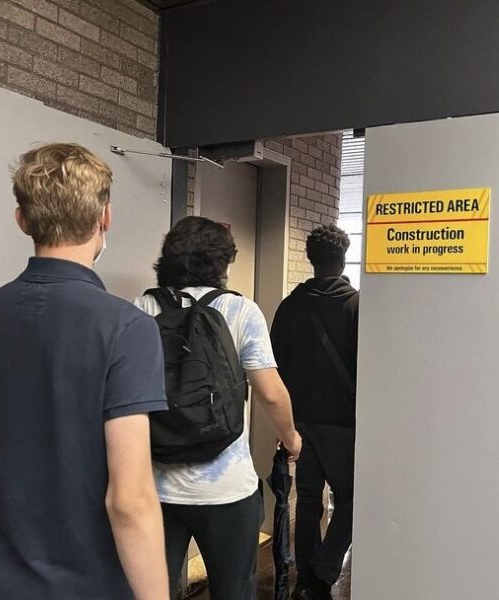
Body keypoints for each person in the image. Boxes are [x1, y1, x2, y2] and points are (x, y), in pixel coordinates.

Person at [0, 143, 170, 600]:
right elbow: (129, 501)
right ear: (105, 217)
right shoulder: (127, 328)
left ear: (22, 220)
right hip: (87, 588)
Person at [134, 216, 302, 600]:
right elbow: (272, 394)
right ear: (222, 262)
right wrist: (292, 439)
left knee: (152, 591)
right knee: (233, 592)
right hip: (228, 491)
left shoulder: (144, 306)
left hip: (157, 486)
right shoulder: (242, 311)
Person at [270, 224, 359, 600]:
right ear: (343, 259)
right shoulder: (357, 307)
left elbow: (274, 365)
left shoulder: (290, 307)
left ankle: (306, 576)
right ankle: (323, 573)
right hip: (343, 424)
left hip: (301, 423)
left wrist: (285, 422)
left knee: (308, 500)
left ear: (311, 260)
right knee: (350, 499)